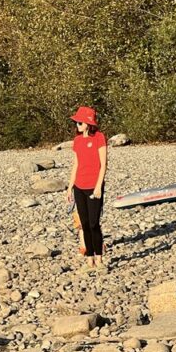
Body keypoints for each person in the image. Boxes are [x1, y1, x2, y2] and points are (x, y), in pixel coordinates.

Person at [65, 106, 108, 269]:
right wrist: (70, 188)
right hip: (79, 186)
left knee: (93, 224)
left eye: (80, 122)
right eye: (76, 122)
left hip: (94, 186)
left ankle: (99, 259)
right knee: (84, 224)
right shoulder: (77, 140)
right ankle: (89, 259)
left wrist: (98, 187)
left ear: (89, 124)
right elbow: (76, 164)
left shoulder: (99, 137)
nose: (77, 125)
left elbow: (103, 165)